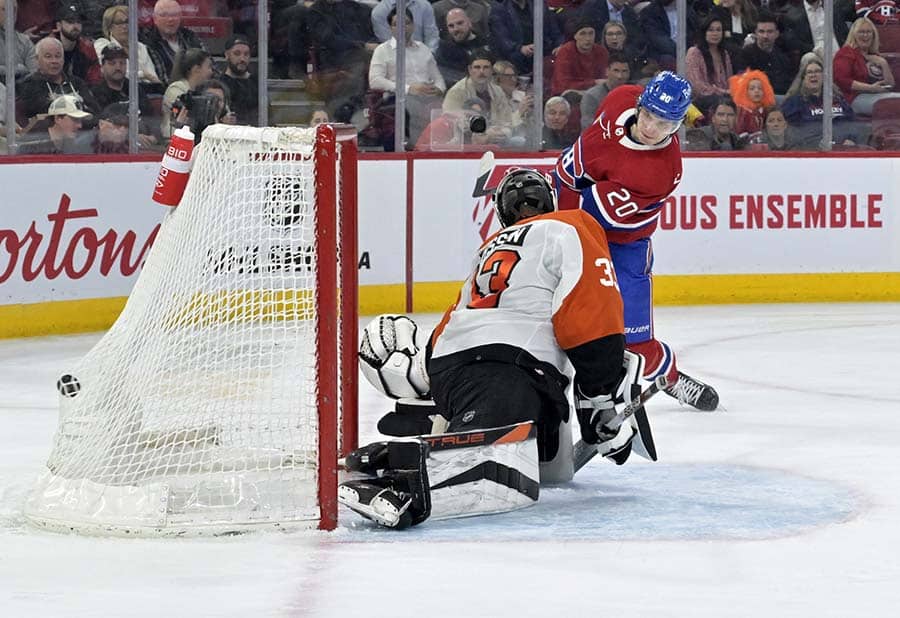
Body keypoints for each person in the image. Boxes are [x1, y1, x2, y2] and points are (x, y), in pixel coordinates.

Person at [340, 169, 639, 528]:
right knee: (485, 459)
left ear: (502, 214)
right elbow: (590, 308)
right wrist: (600, 394)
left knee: (541, 459)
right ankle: (398, 478)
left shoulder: (489, 248)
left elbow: (453, 319)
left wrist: (425, 380)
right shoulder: (570, 226)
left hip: (452, 367)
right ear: (551, 202)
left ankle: (403, 451)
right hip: (511, 366)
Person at [553, 71, 720, 411]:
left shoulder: (661, 170)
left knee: (636, 342)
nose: (650, 128)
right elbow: (570, 174)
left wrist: (546, 214)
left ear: (677, 127)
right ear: (638, 103)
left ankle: (671, 377)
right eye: (648, 116)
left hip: (623, 244)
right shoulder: (618, 99)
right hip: (575, 225)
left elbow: (592, 212)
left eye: (664, 124)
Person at [368, 7, 446, 146]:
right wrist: (408, 89)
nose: (402, 27)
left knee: (446, 109)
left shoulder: (423, 48)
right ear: (390, 28)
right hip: (399, 99)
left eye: (407, 23)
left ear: (413, 25)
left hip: (428, 97)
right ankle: (415, 147)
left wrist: (439, 89)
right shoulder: (383, 50)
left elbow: (438, 78)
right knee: (412, 106)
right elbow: (375, 81)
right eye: (396, 24)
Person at [15, 36, 100, 127]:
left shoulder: (77, 83)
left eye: (58, 56)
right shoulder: (29, 85)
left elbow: (94, 111)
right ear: (37, 60)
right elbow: (44, 113)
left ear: (63, 59)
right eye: (48, 56)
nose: (54, 61)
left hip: (83, 130)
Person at [782, 56, 858, 148]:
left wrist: (851, 139)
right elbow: (792, 132)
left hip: (843, 149)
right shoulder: (794, 102)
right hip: (812, 150)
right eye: (809, 72)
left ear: (824, 76)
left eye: (817, 71)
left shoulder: (838, 100)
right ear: (803, 79)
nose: (813, 75)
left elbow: (852, 123)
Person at [834, 17, 900, 115]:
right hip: (855, 98)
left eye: (869, 32)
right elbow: (842, 80)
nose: (865, 35)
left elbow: (890, 84)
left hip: (879, 95)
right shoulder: (846, 53)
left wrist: (883, 63)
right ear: (854, 35)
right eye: (861, 32)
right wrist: (870, 88)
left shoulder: (875, 55)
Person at [140, 0, 207, 86]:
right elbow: (161, 80)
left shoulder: (190, 37)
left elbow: (209, 67)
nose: (170, 19)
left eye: (174, 15)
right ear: (155, 19)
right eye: (164, 15)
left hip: (199, 90)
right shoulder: (149, 42)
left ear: (180, 17)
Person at [488, 0, 563, 75]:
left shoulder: (540, 5)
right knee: (515, 57)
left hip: (543, 51)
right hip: (515, 54)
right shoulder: (499, 9)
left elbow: (554, 30)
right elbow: (502, 38)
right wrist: (520, 48)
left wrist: (559, 45)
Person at [94, 4, 162, 86]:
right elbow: (117, 73)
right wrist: (144, 75)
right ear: (109, 27)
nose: (125, 26)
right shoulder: (102, 44)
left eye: (127, 22)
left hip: (148, 91)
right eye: (119, 23)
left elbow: (153, 76)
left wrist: (147, 77)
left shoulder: (140, 47)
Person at [732, 10, 796, 96]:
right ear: (755, 33)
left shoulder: (783, 57)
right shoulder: (745, 55)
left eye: (769, 32)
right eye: (761, 31)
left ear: (777, 34)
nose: (765, 36)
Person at [685, 15, 734, 112]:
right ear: (704, 32)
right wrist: (722, 92)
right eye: (711, 30)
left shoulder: (724, 53)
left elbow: (730, 80)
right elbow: (697, 87)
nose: (715, 33)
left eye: (718, 30)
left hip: (724, 97)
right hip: (702, 100)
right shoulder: (694, 52)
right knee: (718, 101)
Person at [161, 47, 213, 137]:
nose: (211, 72)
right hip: (173, 137)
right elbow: (183, 115)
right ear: (196, 69)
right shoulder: (176, 89)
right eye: (209, 67)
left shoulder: (201, 91)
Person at [17, 93, 93, 154]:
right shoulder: (32, 145)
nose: (80, 125)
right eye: (75, 120)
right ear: (57, 118)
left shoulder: (72, 144)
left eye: (80, 120)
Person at [434, 8, 491, 88]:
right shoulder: (445, 49)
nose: (456, 29)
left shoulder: (486, 43)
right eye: (451, 26)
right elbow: (446, 76)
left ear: (469, 23)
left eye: (460, 23)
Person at [550, 22, 609, 96]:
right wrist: (593, 83)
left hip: (596, 93)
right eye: (582, 34)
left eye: (591, 33)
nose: (588, 38)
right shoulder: (566, 51)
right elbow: (563, 84)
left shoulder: (601, 51)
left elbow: (605, 78)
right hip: (568, 94)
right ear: (575, 36)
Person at [580, 51, 631, 128]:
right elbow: (588, 126)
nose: (620, 76)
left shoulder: (634, 95)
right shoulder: (592, 96)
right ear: (607, 71)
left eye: (624, 71)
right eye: (616, 70)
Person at [54, 3, 102, 86]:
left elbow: (95, 80)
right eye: (70, 21)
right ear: (58, 26)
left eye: (79, 21)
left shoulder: (87, 49)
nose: (75, 26)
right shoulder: (47, 47)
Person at [218, 35, 258, 125]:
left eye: (246, 54)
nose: (242, 59)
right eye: (237, 54)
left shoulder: (257, 83)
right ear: (227, 55)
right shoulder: (219, 84)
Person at [371, 0, 439, 52]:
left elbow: (432, 37)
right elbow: (389, 44)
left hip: (425, 58)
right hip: (393, 61)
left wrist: (427, 57)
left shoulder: (425, 5)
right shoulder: (379, 12)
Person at [729, 69, 776, 141]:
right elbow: (739, 133)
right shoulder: (743, 112)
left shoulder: (766, 110)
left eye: (760, 88)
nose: (756, 91)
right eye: (752, 89)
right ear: (745, 92)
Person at [0, 0, 38, 84]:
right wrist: (19, 69)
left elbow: (34, 72)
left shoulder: (25, 41)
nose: (10, 14)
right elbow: (25, 71)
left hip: (22, 91)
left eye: (14, 10)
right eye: (4, 9)